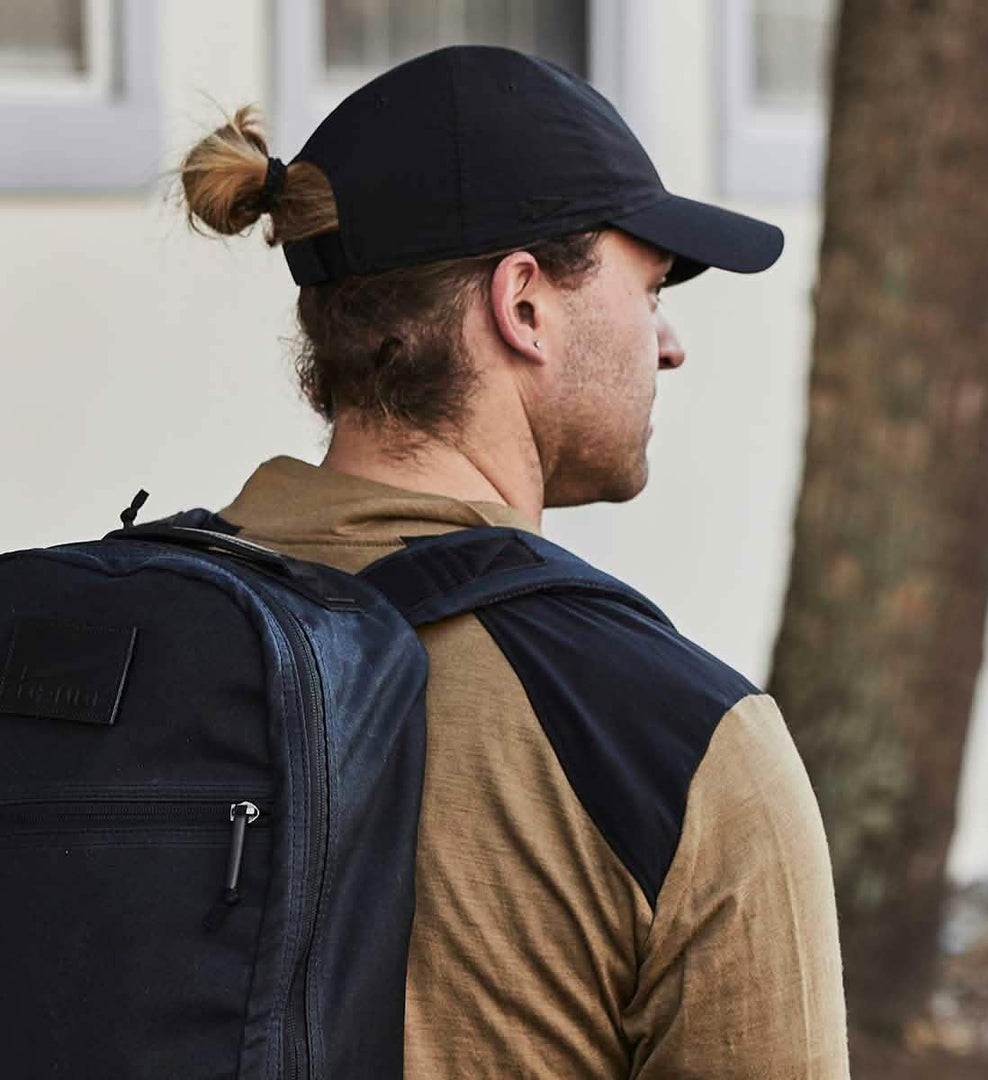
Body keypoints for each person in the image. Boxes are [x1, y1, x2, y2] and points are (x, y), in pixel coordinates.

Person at [176, 44, 849, 1078]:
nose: (668, 343)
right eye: (652, 286)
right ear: (524, 304)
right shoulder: (680, 745)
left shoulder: (102, 652)